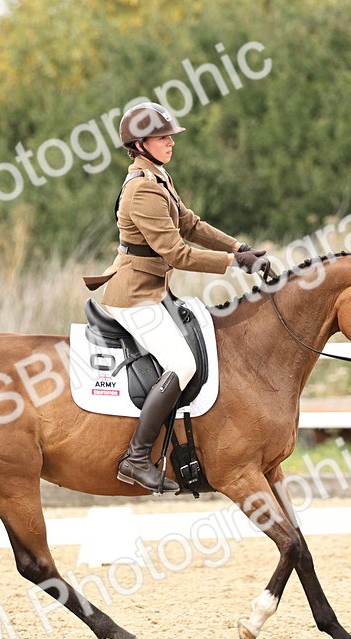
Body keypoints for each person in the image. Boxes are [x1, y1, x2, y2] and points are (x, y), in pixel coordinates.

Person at [83, 101, 265, 493]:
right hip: (133, 296)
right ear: (140, 144)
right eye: (163, 138)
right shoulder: (142, 191)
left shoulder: (158, 177)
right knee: (181, 363)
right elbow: (177, 253)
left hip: (154, 290)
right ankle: (135, 458)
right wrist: (233, 262)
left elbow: (191, 224)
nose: (170, 143)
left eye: (169, 137)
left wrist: (240, 246)